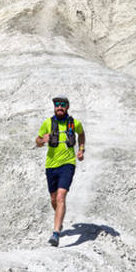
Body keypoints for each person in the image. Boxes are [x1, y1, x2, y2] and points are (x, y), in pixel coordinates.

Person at [34, 96, 85, 246]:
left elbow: (81, 134)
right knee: (54, 199)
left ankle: (56, 233)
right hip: (51, 165)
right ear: (54, 107)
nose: (59, 107)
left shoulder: (74, 123)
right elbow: (37, 141)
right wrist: (42, 140)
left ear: (67, 107)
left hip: (68, 164)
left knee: (61, 197)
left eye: (62, 105)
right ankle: (60, 219)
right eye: (57, 105)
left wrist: (81, 149)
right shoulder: (48, 123)